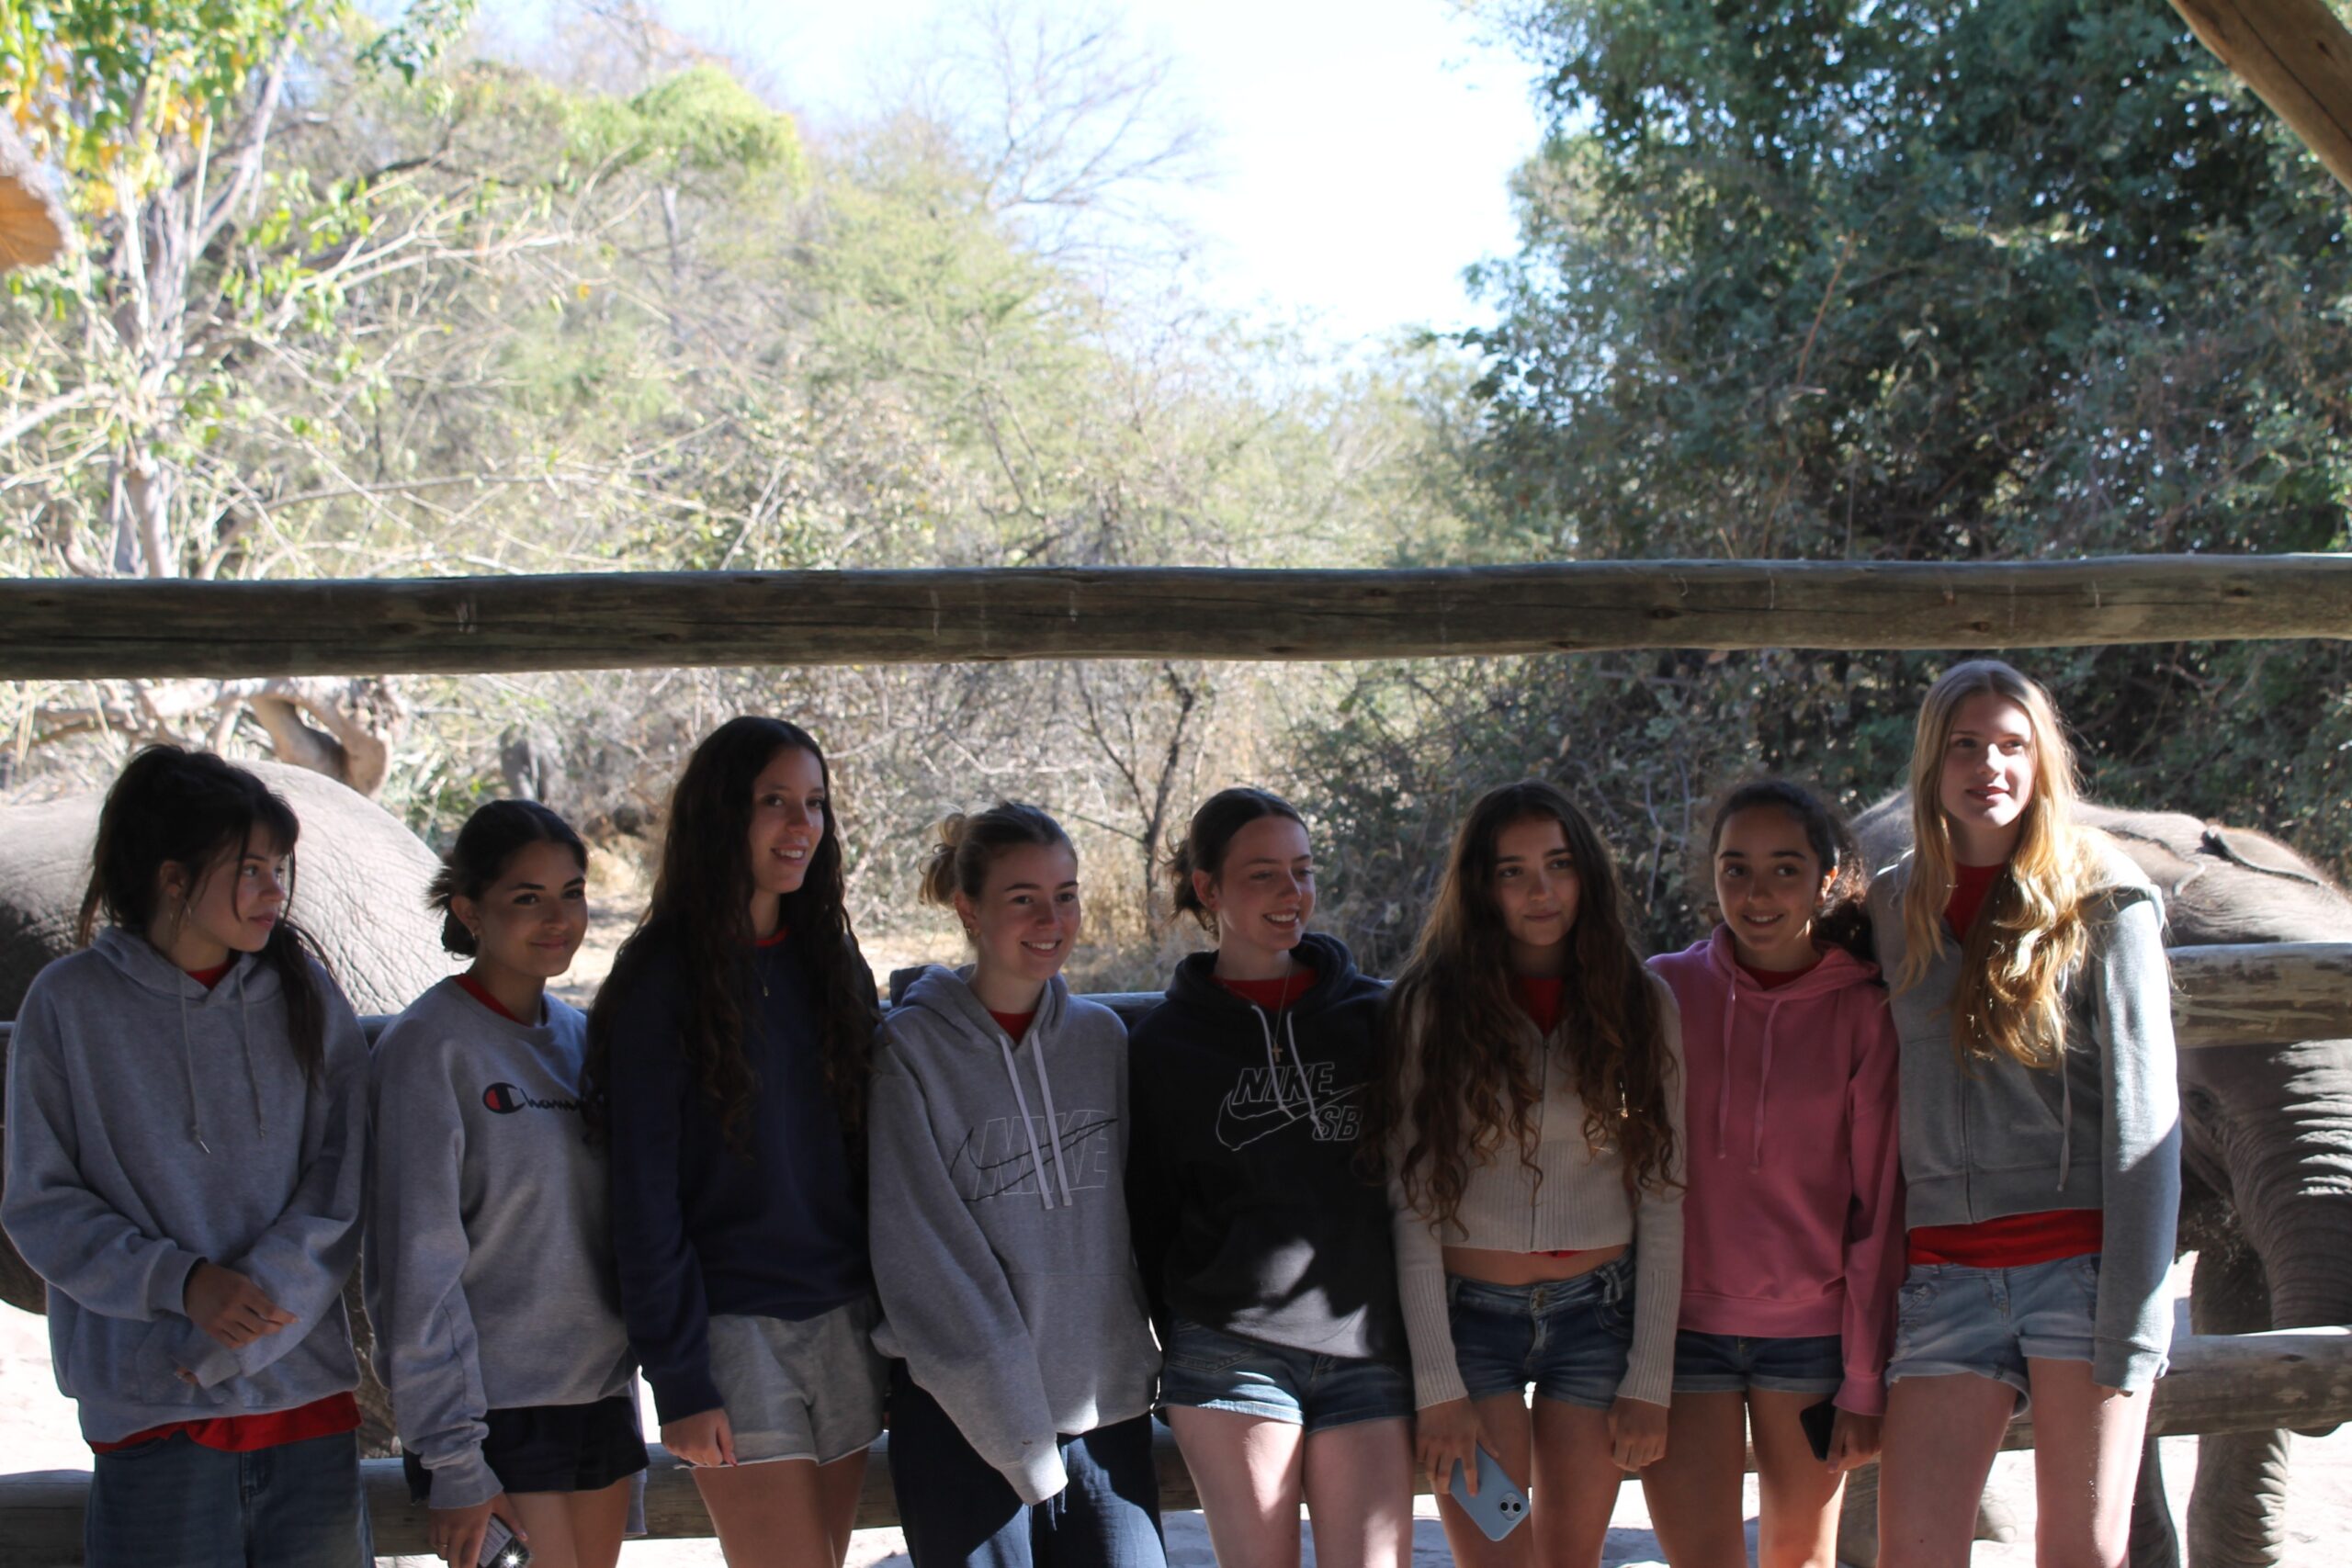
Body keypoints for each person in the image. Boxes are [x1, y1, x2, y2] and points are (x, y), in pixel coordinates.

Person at [1, 745, 370, 1566]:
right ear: (173, 879)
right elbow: (40, 1203)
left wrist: (257, 1305)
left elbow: (344, 1176)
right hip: (154, 1409)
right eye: (251, 869)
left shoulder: (306, 991)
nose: (275, 891)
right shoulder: (68, 1006)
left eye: (280, 869)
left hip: (306, 1405)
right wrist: (182, 1283)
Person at [1871, 660, 2179, 1568]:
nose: (1989, 766)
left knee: (2080, 1553)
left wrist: (2134, 1320)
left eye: (2012, 745)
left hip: (2079, 1275)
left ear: (2043, 760)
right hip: (1944, 1278)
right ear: (1931, 761)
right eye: (1965, 745)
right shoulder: (1892, 902)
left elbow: (2145, 1118)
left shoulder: (2104, 896)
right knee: (1912, 1554)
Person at [589, 716, 885, 1567]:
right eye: (774, 801)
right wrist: (679, 1378)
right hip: (729, 1330)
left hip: (843, 1319)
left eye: (815, 803)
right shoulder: (659, 980)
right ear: (724, 812)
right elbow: (642, 1197)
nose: (802, 825)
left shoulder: (831, 961)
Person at [1378, 779, 1684, 1568]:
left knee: (1569, 1559)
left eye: (1558, 864)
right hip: (1471, 1329)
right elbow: (1412, 1202)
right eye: (1512, 871)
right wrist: (1437, 1384)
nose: (1540, 890)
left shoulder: (1641, 1002)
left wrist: (1648, 1378)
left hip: (1595, 1321)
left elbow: (1663, 1194)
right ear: (1481, 886)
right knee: (1501, 1556)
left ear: (1588, 872)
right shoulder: (1429, 1007)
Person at [869, 803, 1166, 1567]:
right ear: (968, 908)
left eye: (1065, 895)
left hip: (1103, 1408)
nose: (1050, 919)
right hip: (961, 1415)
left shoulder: (1101, 1040)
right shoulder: (909, 1050)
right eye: (1023, 897)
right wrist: (1016, 1433)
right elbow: (923, 1257)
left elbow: (1131, 1223)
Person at [1125, 786, 1413, 1568]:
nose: (1292, 892)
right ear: (1208, 888)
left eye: (1304, 870)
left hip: (1365, 1347)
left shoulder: (1377, 1019)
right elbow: (1149, 1213)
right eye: (1263, 875)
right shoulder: (1164, 1046)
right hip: (1229, 1348)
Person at [368, 799, 644, 1568]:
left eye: (572, 892)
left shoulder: (583, 1040)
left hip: (599, 1396)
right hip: (491, 1413)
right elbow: (412, 1269)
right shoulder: (428, 1048)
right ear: (469, 909)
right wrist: (453, 1456)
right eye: (528, 897)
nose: (558, 918)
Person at [1641, 780, 1904, 1568]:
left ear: (1828, 878)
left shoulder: (1863, 1010)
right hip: (1679, 1336)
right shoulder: (1663, 990)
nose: (1757, 894)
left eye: (1785, 869)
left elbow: (1878, 1208)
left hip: (1812, 1341)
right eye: (1737, 869)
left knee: (1802, 1562)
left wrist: (1864, 1378)